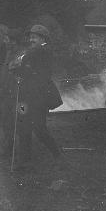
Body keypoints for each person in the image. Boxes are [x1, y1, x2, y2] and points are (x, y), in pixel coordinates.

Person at [10, 24, 64, 170]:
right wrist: (18, 70)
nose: (31, 39)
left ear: (43, 39)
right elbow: (17, 67)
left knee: (39, 128)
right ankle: (24, 161)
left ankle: (57, 155)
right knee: (22, 126)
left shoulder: (44, 51)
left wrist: (20, 61)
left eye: (35, 37)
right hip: (24, 98)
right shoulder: (32, 51)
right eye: (31, 37)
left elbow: (26, 59)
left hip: (39, 98)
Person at [0, 28, 22, 156]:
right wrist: (1, 87)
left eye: (7, 39)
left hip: (18, 95)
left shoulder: (21, 55)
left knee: (19, 121)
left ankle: (21, 151)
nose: (4, 41)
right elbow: (5, 72)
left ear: (14, 42)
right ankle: (8, 146)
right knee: (6, 120)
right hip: (7, 93)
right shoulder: (8, 53)